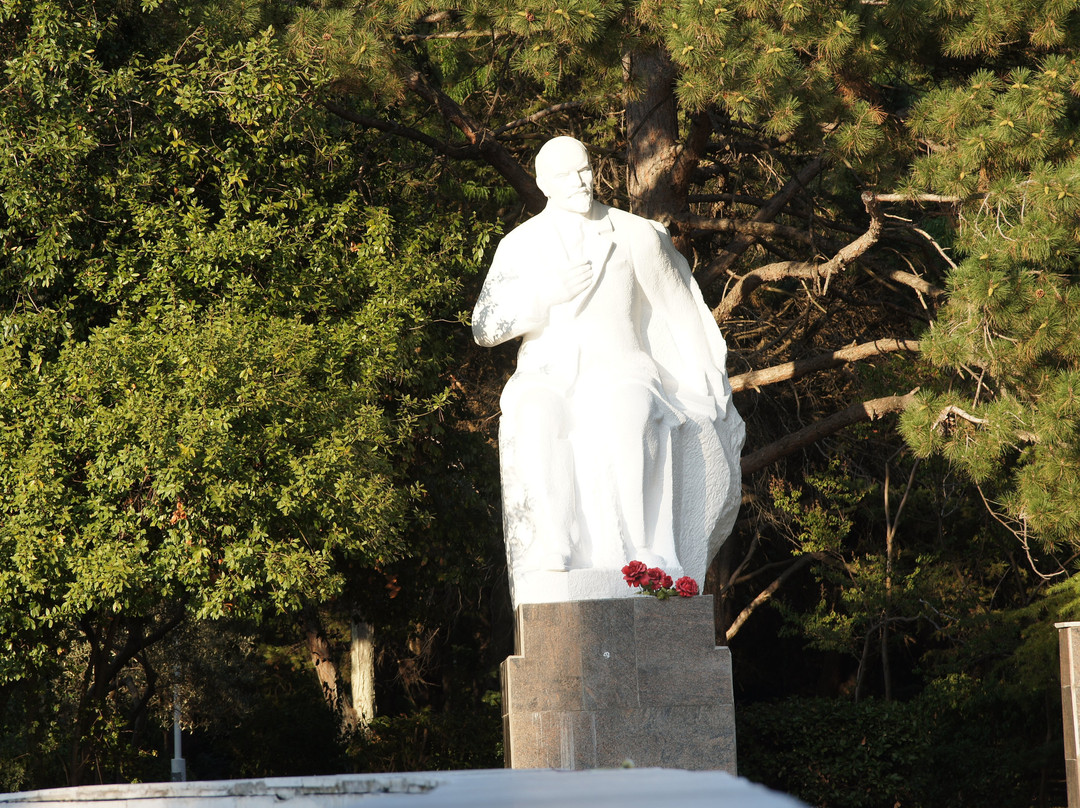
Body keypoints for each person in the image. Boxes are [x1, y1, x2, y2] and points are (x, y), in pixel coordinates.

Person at [473, 136, 744, 604]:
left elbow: (680, 310)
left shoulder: (635, 234)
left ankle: (644, 552)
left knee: (631, 411)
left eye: (584, 170)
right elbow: (484, 326)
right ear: (542, 184)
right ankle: (555, 545)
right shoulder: (521, 244)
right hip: (549, 374)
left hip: (621, 367)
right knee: (534, 415)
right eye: (565, 176)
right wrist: (544, 296)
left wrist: (707, 382)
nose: (579, 181)